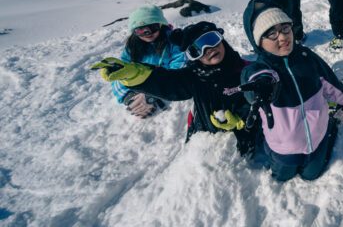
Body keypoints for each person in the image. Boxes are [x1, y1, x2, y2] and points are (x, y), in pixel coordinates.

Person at [92, 21, 260, 156]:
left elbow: (267, 98)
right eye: (197, 50)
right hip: (207, 140)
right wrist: (132, 74)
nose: (208, 50)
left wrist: (242, 119)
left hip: (248, 136)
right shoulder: (195, 77)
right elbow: (167, 82)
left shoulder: (247, 70)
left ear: (221, 40)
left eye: (210, 40)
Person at [237, 0, 343, 181]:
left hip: (317, 137)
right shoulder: (263, 69)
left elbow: (329, 81)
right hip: (283, 147)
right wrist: (261, 85)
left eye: (285, 28)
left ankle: (330, 127)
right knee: (281, 177)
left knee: (311, 175)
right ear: (259, 41)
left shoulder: (307, 57)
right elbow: (251, 78)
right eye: (271, 33)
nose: (282, 37)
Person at [110, 5, 186, 118]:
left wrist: (154, 92)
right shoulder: (132, 47)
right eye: (141, 30)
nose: (148, 33)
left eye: (153, 27)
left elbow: (179, 66)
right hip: (141, 82)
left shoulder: (173, 41)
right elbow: (123, 72)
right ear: (134, 32)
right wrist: (130, 96)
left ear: (161, 25)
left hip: (164, 81)